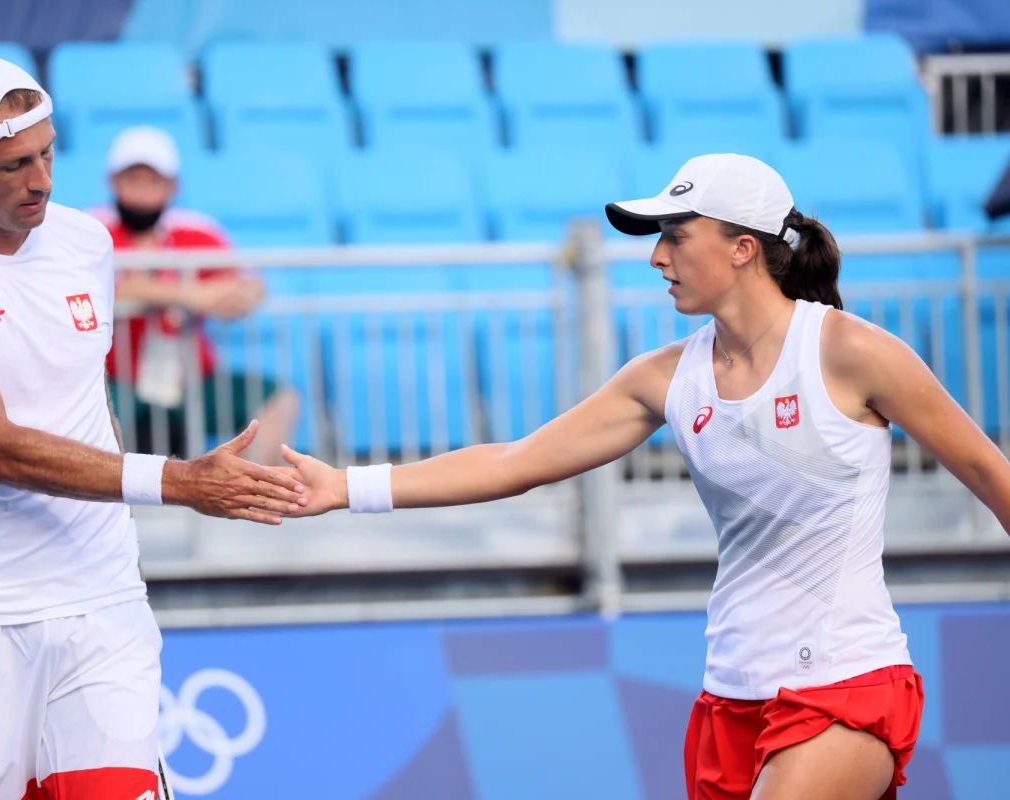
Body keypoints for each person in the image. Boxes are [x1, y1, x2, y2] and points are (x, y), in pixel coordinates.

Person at [277, 154, 1010, 799]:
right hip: (730, 697)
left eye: (676, 237)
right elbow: (513, 462)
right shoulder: (663, 379)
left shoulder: (852, 351)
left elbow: (985, 467)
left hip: (849, 685)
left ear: (743, 249)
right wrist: (347, 487)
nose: (658, 258)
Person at [0, 55, 303, 799]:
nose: (42, 181)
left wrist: (135, 492)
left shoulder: (83, 244)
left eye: (48, 153)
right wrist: (182, 482)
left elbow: (84, 401)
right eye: (12, 166)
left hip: (103, 600)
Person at [88, 126, 300, 464]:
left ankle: (252, 496)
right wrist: (188, 294)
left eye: (152, 181)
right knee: (88, 417)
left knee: (279, 399)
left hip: (189, 377)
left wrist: (224, 297)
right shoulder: (91, 229)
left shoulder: (196, 230)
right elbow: (95, 290)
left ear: (172, 186)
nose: (142, 193)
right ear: (112, 182)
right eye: (132, 180)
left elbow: (248, 286)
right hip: (114, 379)